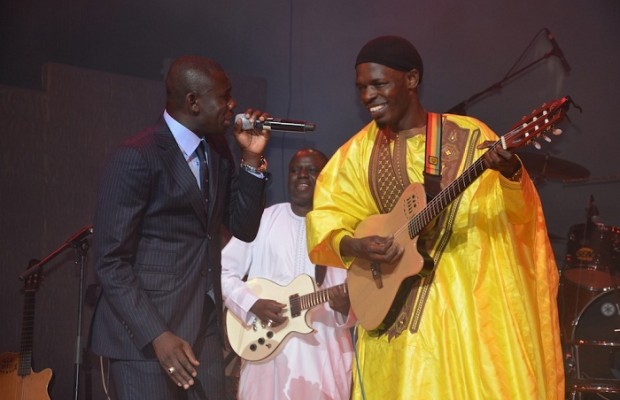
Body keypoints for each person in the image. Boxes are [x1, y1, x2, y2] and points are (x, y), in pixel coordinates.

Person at [306, 36, 564, 399]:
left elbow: (513, 219)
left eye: (378, 84)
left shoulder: (472, 135)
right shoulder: (356, 153)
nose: (367, 96)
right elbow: (328, 215)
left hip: (466, 320)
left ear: (411, 80)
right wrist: (355, 244)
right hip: (394, 332)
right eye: (362, 87)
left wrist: (509, 175)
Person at [89, 55, 272, 400]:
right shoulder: (137, 156)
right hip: (145, 341)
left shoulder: (216, 150)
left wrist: (250, 158)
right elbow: (111, 263)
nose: (233, 104)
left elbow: (243, 228)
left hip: (203, 330)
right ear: (193, 101)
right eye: (224, 96)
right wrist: (158, 335)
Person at [221, 148, 354, 400]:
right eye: (295, 170)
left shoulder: (344, 230)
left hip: (322, 354)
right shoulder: (262, 220)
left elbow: (358, 299)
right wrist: (253, 304)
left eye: (312, 170)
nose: (302, 176)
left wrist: (347, 307)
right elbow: (224, 272)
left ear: (327, 177)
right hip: (265, 352)